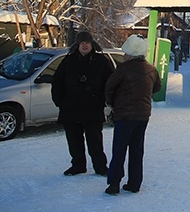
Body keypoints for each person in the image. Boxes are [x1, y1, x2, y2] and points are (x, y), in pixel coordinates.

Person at [51, 30, 114, 176]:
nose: (85, 45)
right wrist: (60, 102)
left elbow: (111, 83)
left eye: (87, 42)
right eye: (82, 43)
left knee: (95, 142)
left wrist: (105, 100)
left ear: (92, 44)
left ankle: (100, 166)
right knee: (74, 141)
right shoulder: (68, 61)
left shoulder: (102, 62)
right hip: (71, 109)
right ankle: (78, 165)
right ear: (77, 45)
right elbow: (57, 82)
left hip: (93, 108)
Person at [105, 34, 161, 195]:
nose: (124, 55)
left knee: (119, 149)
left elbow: (109, 87)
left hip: (124, 115)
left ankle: (114, 183)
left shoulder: (123, 68)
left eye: (125, 52)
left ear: (130, 53)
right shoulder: (151, 69)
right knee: (137, 149)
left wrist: (111, 103)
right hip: (143, 115)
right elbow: (157, 87)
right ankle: (135, 183)